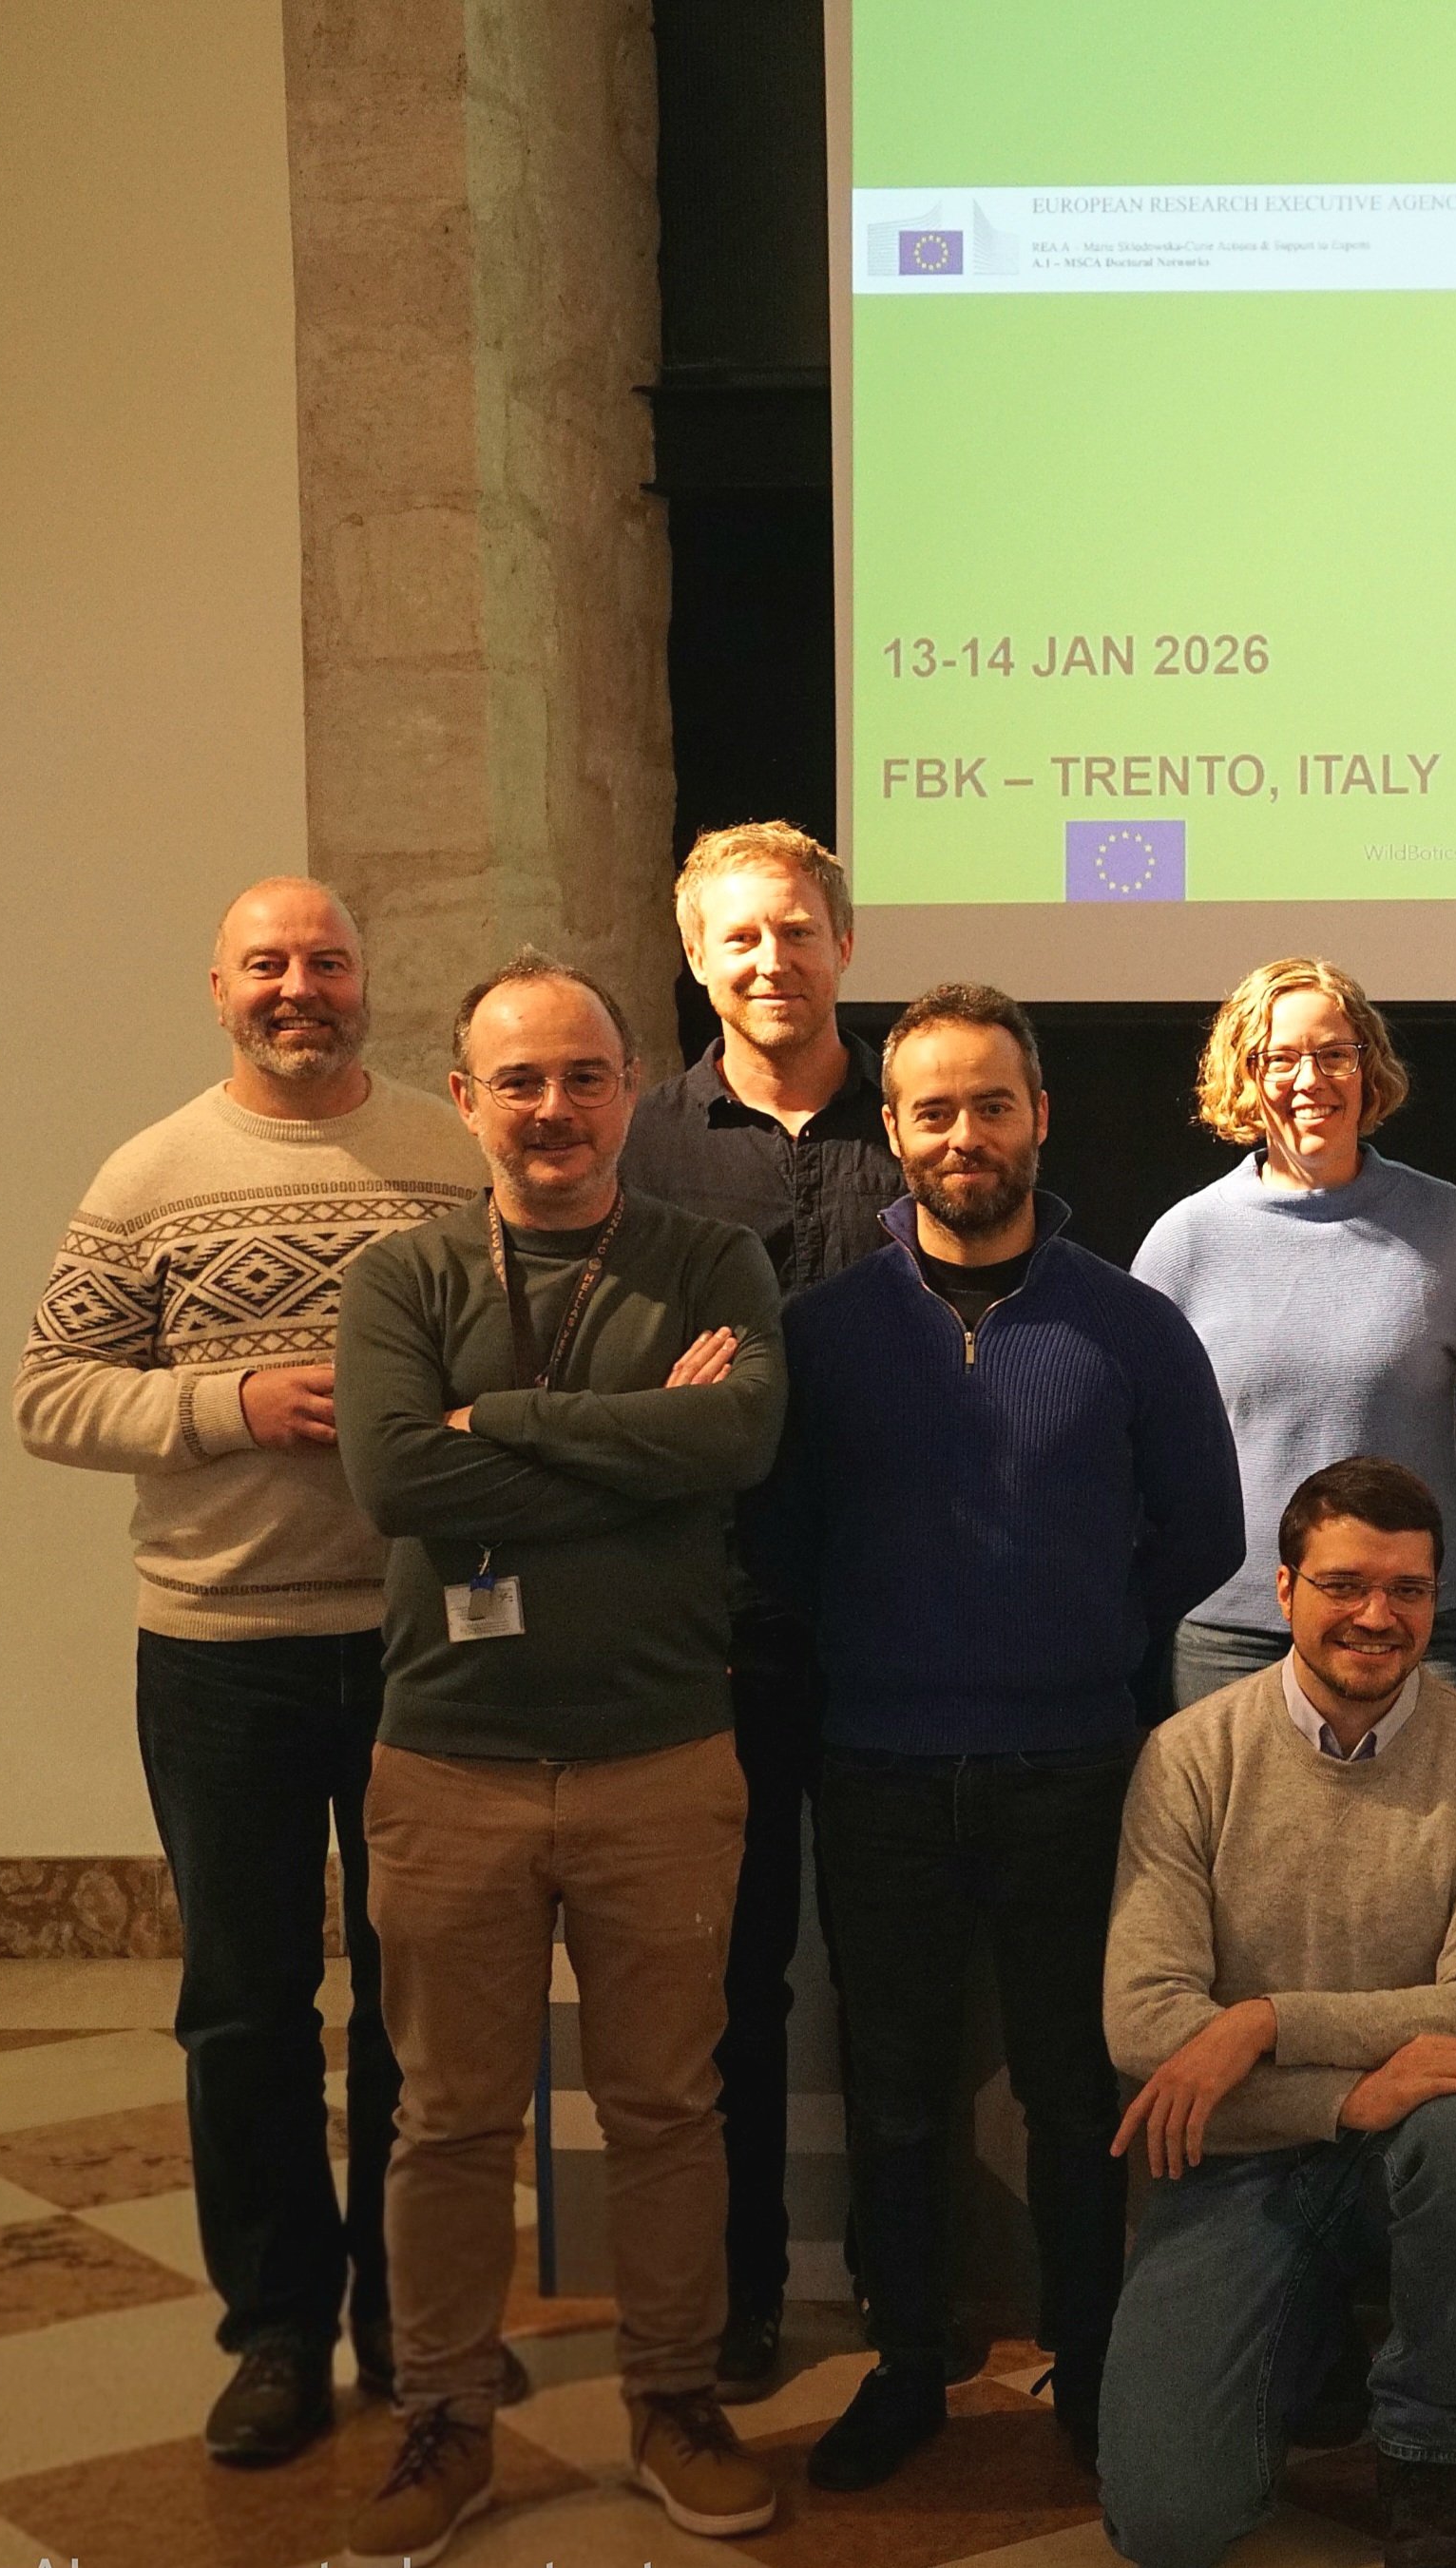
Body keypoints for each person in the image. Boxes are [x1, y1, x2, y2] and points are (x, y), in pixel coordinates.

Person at [744, 984, 1245, 2491]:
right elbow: (776, 1544)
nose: (967, 1134)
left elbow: (1204, 1531)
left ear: (1041, 1115)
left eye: (994, 1103)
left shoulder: (1132, 1326)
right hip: (883, 1770)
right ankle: (909, 2366)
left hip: (1078, 1771)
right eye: (935, 1109)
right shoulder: (822, 1334)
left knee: (1074, 2094)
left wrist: (1073, 1638)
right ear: (892, 1130)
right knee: (896, 2095)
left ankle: (1089, 2372)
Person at [11, 878, 480, 2465]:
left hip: (424, 1650)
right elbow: (49, 1395)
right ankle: (276, 2328)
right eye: (270, 963)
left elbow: (513, 1356)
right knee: (245, 2007)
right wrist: (226, 1402)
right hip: (219, 1655)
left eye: (328, 962)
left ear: (366, 984)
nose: (303, 987)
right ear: (219, 986)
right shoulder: (150, 1175)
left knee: (420, 1999)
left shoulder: (446, 1154)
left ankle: (414, 2314)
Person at [331, 955, 790, 2555]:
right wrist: (626, 1451)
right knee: (446, 2116)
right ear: (464, 1098)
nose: (552, 1108)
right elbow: (395, 1481)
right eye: (516, 1079)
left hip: (661, 1756)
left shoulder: (710, 1255)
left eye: (583, 1075)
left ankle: (674, 2394)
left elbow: (735, 1441)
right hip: (448, 1758)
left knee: (667, 2103)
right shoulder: (404, 1278)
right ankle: (445, 2416)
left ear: (626, 1089)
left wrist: (500, 1427)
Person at [1099, 1458, 1456, 2568]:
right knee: (1168, 2525)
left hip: (1402, 2149)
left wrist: (1257, 2021)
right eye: (1345, 1583)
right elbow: (1147, 2026)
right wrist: (1347, 2092)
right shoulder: (1188, 1755)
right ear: (1286, 1589)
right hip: (1230, 2160)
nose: (1376, 1615)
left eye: (1407, 1588)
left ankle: (1426, 2449)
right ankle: (1311, 2347)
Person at [618, 818, 902, 2399]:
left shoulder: (922, 1117)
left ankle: (901, 2285)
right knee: (728, 1980)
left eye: (795, 930)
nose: (769, 961)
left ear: (841, 941)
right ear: (696, 956)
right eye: (737, 938)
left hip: (891, 1619)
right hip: (707, 1625)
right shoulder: (645, 1143)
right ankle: (736, 2301)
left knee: (885, 1969)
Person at [1137, 956, 1456, 1705]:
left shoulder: (1453, 1227)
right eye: (1281, 1058)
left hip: (1420, 1625)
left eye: (1335, 1054)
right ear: (1245, 1073)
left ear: (1369, 1068)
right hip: (1234, 1633)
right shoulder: (1186, 1241)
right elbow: (1139, 1450)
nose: (1310, 1080)